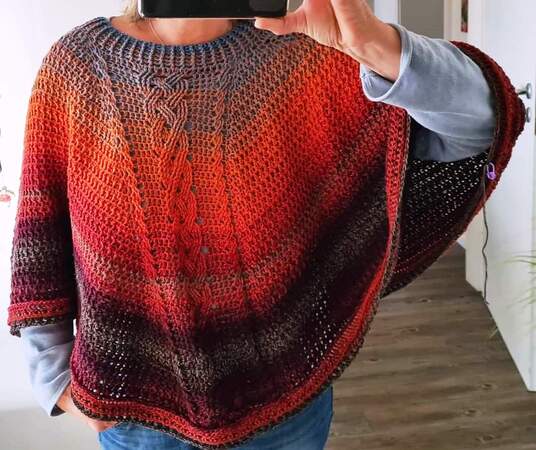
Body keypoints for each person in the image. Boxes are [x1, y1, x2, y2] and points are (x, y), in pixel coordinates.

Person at [7, 1, 525, 449]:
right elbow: (42, 225)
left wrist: (374, 44)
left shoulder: (310, 53)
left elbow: (481, 125)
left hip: (287, 397)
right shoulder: (78, 68)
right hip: (135, 405)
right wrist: (53, 378)